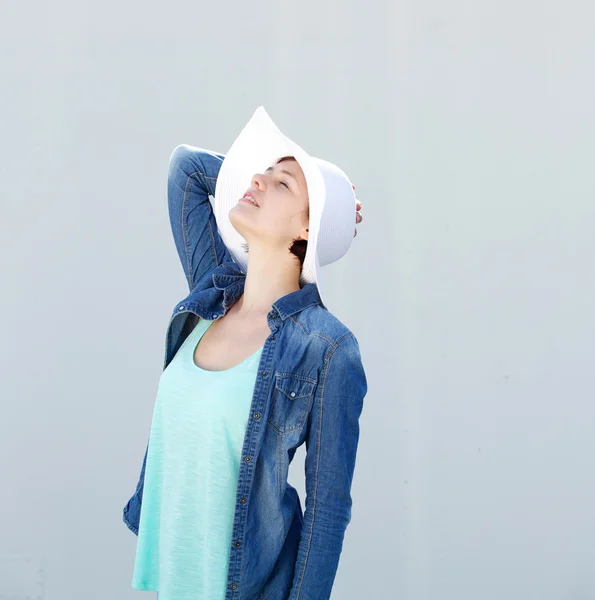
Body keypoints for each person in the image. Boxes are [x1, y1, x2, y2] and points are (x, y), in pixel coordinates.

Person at [123, 107, 368, 600]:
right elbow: (187, 169)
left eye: (281, 185)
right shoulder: (212, 293)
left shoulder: (325, 347)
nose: (256, 180)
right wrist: (309, 192)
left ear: (307, 229)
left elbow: (328, 511)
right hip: (174, 582)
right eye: (261, 174)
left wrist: (331, 204)